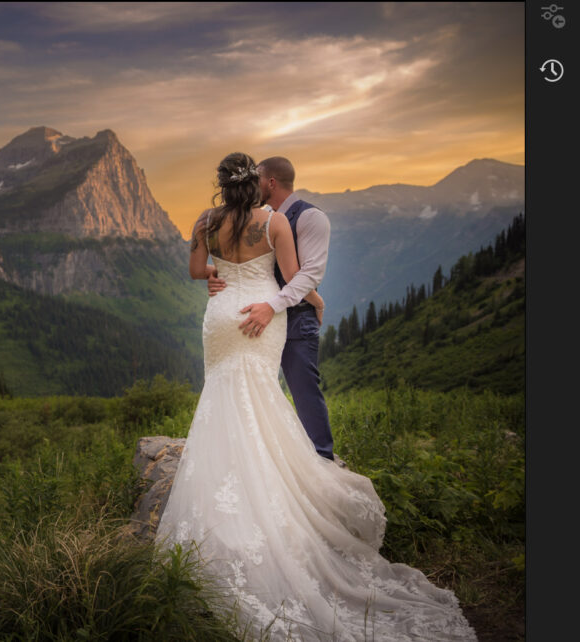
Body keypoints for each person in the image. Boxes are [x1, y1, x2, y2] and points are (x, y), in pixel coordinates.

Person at [156, 152, 476, 640]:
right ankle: (283, 487)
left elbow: (197, 270)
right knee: (260, 393)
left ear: (222, 184)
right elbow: (289, 277)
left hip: (220, 317)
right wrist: (314, 296)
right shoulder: (275, 222)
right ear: (256, 182)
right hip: (262, 314)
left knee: (222, 394)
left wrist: (217, 277)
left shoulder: (205, 221)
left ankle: (227, 492)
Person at [206, 156, 335, 461]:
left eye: (257, 178)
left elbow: (310, 273)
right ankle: (255, 459)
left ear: (270, 183)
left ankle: (322, 459)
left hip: (292, 316)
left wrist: (282, 304)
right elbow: (240, 260)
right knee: (252, 387)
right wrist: (215, 276)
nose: (251, 183)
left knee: (303, 389)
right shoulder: (263, 218)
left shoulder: (311, 218)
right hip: (257, 313)